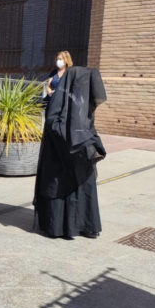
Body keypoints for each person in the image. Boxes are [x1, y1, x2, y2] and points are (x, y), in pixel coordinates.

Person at [34, 61, 107, 239]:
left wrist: (91, 142)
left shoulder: (83, 103)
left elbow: (88, 126)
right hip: (59, 157)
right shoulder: (57, 102)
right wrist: (75, 140)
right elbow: (54, 125)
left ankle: (86, 225)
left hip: (80, 157)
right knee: (61, 187)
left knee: (84, 185)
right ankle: (59, 227)